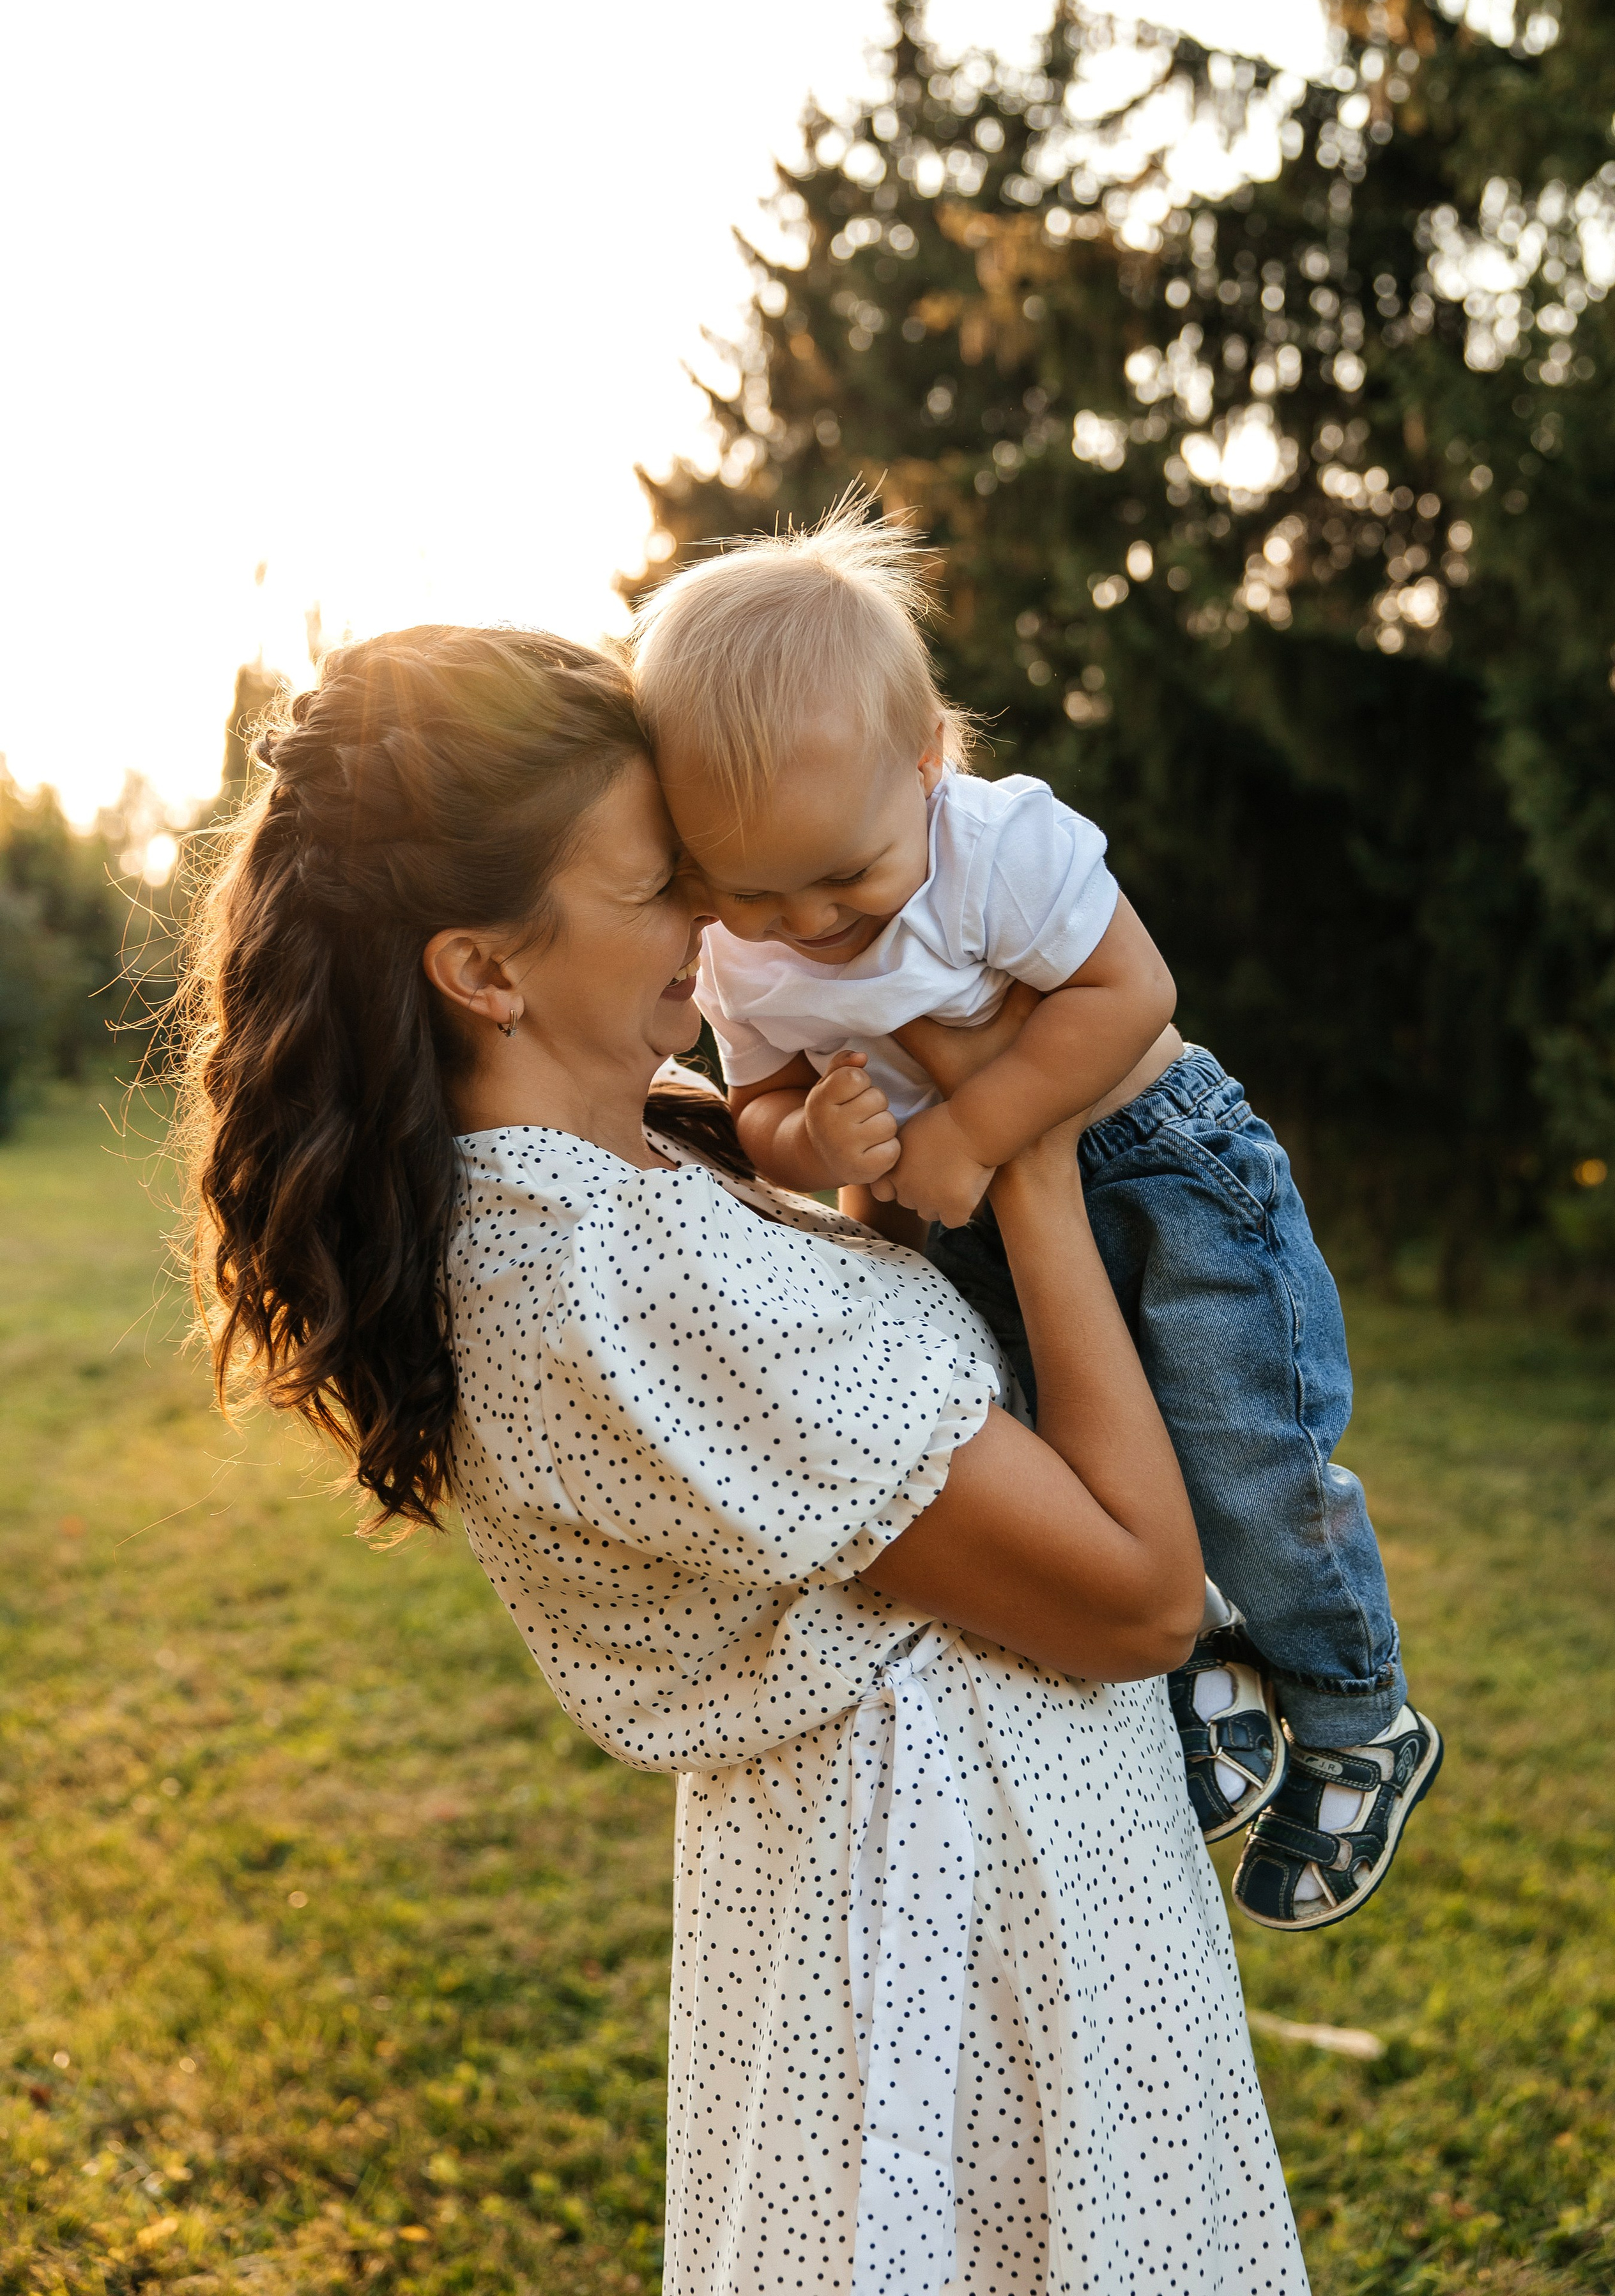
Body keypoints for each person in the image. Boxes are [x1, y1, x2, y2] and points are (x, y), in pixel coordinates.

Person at [178, 623, 1309, 2295]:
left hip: (968, 1875)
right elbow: (1138, 1602)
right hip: (953, 1928)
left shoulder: (647, 1156)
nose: (719, 921)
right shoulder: (607, 1275)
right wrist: (1029, 1148)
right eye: (661, 885)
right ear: (483, 969)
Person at [630, 500, 1442, 1931]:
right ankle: (1207, 1666)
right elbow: (759, 1110)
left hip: (1159, 1165)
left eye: (846, 876)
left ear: (925, 762)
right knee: (1069, 1460)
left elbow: (1130, 994)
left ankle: (1356, 1712)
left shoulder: (996, 848)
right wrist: (810, 1137)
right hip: (966, 1224)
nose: (811, 924)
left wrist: (973, 1133)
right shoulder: (739, 961)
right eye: (752, 892)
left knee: (1241, 1448)